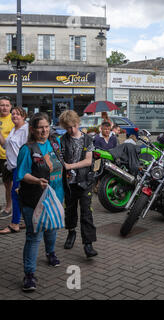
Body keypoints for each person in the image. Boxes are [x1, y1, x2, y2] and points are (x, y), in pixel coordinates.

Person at [16, 112, 65, 292]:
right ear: (32, 129)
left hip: (56, 196)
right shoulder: (27, 149)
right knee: (34, 235)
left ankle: (50, 253)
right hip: (34, 199)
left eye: (47, 126)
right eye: (40, 127)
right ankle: (29, 275)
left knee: (52, 227)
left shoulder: (55, 143)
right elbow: (21, 174)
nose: (44, 130)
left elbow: (61, 164)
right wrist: (36, 180)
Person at [58, 110, 97, 258]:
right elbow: (60, 159)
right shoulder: (62, 140)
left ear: (78, 123)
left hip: (85, 181)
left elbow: (88, 161)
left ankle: (88, 244)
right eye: (67, 127)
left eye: (73, 126)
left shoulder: (88, 140)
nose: (71, 130)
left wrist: (70, 166)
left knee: (87, 212)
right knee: (70, 210)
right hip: (69, 183)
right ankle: (71, 232)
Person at [0, 106, 29, 234]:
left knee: (15, 194)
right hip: (13, 167)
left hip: (20, 167)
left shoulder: (25, 129)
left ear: (23, 116)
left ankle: (14, 224)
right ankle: (25, 220)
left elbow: (27, 150)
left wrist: (23, 167)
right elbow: (6, 145)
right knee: (21, 194)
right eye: (13, 114)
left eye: (17, 114)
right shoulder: (14, 129)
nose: (14, 116)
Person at [0, 96, 15, 219]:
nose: (4, 107)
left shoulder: (13, 119)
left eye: (6, 105)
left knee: (8, 184)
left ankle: (8, 207)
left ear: (10, 107)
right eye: (2, 105)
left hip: (6, 157)